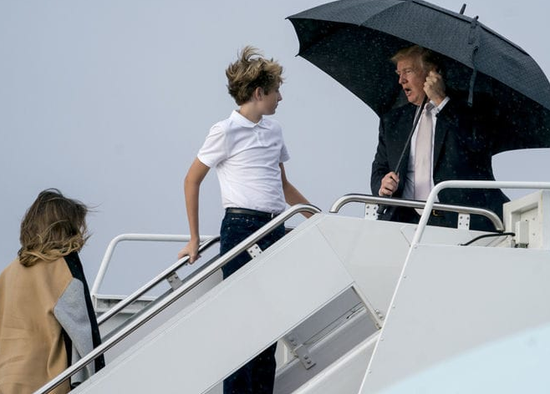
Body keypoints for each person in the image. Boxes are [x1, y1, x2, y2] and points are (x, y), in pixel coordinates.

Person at [177, 46, 310, 394]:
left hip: (274, 227)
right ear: (258, 93)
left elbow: (281, 184)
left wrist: (316, 214)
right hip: (240, 228)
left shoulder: (274, 130)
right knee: (241, 322)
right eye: (276, 90)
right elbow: (192, 179)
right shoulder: (225, 130)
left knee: (269, 322)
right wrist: (193, 238)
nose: (281, 97)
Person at [371, 45, 509, 231]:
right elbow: (379, 169)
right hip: (406, 222)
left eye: (408, 71)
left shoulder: (474, 106)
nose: (401, 80)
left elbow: (479, 145)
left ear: (432, 73)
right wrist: (383, 184)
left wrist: (442, 102)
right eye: (399, 73)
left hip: (462, 222)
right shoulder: (392, 121)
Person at [0, 189, 105, 393]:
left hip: (7, 379)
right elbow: (82, 329)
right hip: (49, 381)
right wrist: (99, 376)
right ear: (66, 226)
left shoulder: (9, 272)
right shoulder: (63, 264)